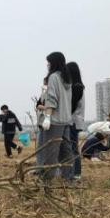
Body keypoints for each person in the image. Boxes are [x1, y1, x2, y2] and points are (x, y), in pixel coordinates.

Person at [35, 53, 74, 184]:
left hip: (55, 121)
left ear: (54, 63)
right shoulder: (67, 79)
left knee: (51, 151)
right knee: (66, 150)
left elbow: (52, 99)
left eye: (49, 62)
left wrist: (47, 117)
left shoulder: (53, 77)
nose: (48, 65)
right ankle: (68, 178)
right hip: (66, 120)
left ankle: (47, 181)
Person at [67, 62, 85, 180]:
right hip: (74, 121)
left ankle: (76, 173)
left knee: (73, 148)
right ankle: (73, 172)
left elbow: (71, 106)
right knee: (72, 147)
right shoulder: (77, 86)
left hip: (73, 121)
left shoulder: (77, 87)